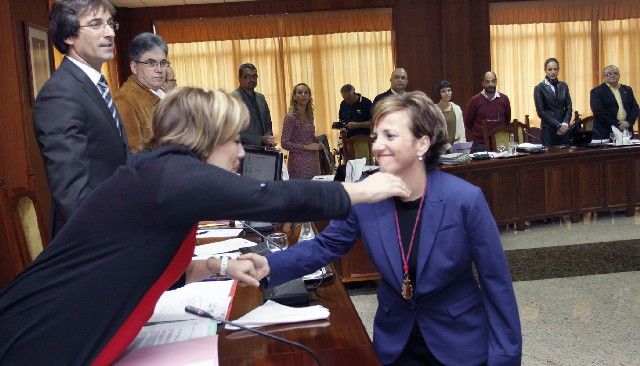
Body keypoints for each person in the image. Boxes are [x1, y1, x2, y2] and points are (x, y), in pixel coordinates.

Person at [0, 87, 410, 365]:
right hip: (47, 333)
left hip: (78, 321)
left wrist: (216, 268)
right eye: (231, 139)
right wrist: (359, 191)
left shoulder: (164, 174)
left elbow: (144, 259)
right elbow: (266, 196)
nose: (238, 151)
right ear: (204, 137)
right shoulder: (172, 174)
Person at [243, 91, 522, 365]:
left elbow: (496, 282)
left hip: (459, 343)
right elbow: (325, 245)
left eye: (390, 136)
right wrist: (269, 266)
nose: (376, 146)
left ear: (422, 143)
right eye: (376, 136)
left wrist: (505, 357)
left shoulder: (465, 200)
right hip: (395, 343)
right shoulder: (368, 195)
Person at [33, 0, 129, 237]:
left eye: (110, 24)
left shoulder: (93, 85)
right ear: (69, 37)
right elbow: (72, 191)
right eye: (96, 24)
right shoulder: (61, 92)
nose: (109, 33)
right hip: (94, 238)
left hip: (118, 223)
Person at [114, 32, 170, 152]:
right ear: (134, 67)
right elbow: (134, 155)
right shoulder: (125, 100)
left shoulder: (160, 95)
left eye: (163, 63)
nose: (159, 69)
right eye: (151, 63)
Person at [281, 83, 322, 180]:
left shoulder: (309, 115)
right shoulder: (290, 117)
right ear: (294, 97)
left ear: (309, 97)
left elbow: (310, 136)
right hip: (298, 163)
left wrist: (319, 142)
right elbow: (284, 143)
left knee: (314, 191)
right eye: (300, 92)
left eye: (306, 92)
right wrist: (306, 147)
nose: (303, 95)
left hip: (312, 161)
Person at [464, 71, 511, 152]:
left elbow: (507, 119)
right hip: (480, 145)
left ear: (496, 82)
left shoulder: (504, 99)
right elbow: (468, 122)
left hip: (500, 143)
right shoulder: (475, 100)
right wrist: (479, 133)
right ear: (482, 83)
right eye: (487, 82)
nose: (490, 84)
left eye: (493, 81)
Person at [590, 65, 639, 140]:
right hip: (606, 132)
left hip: (626, 130)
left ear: (619, 75)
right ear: (604, 77)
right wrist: (617, 124)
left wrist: (628, 122)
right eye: (609, 74)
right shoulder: (596, 91)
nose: (612, 76)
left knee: (629, 151)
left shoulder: (627, 89)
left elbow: (635, 107)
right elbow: (598, 111)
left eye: (615, 73)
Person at [232, 63, 276, 147]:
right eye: (247, 76)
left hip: (264, 150)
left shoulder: (261, 98)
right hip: (244, 151)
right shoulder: (233, 99)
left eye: (254, 76)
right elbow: (233, 132)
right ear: (239, 79)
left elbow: (268, 123)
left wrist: (268, 139)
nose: (252, 80)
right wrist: (261, 139)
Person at [533, 58, 573, 146]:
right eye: (549, 69)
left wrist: (565, 123)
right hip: (548, 130)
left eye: (555, 69)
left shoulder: (564, 86)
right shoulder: (539, 88)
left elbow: (569, 107)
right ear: (545, 70)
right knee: (550, 157)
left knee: (566, 156)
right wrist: (558, 126)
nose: (552, 72)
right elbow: (541, 112)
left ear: (558, 70)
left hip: (564, 129)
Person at [435, 80, 466, 146]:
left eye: (449, 90)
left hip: (456, 146)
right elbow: (434, 133)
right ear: (439, 93)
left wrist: (462, 146)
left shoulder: (457, 108)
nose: (447, 93)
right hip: (440, 147)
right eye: (443, 91)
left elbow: (462, 130)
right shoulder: (434, 110)